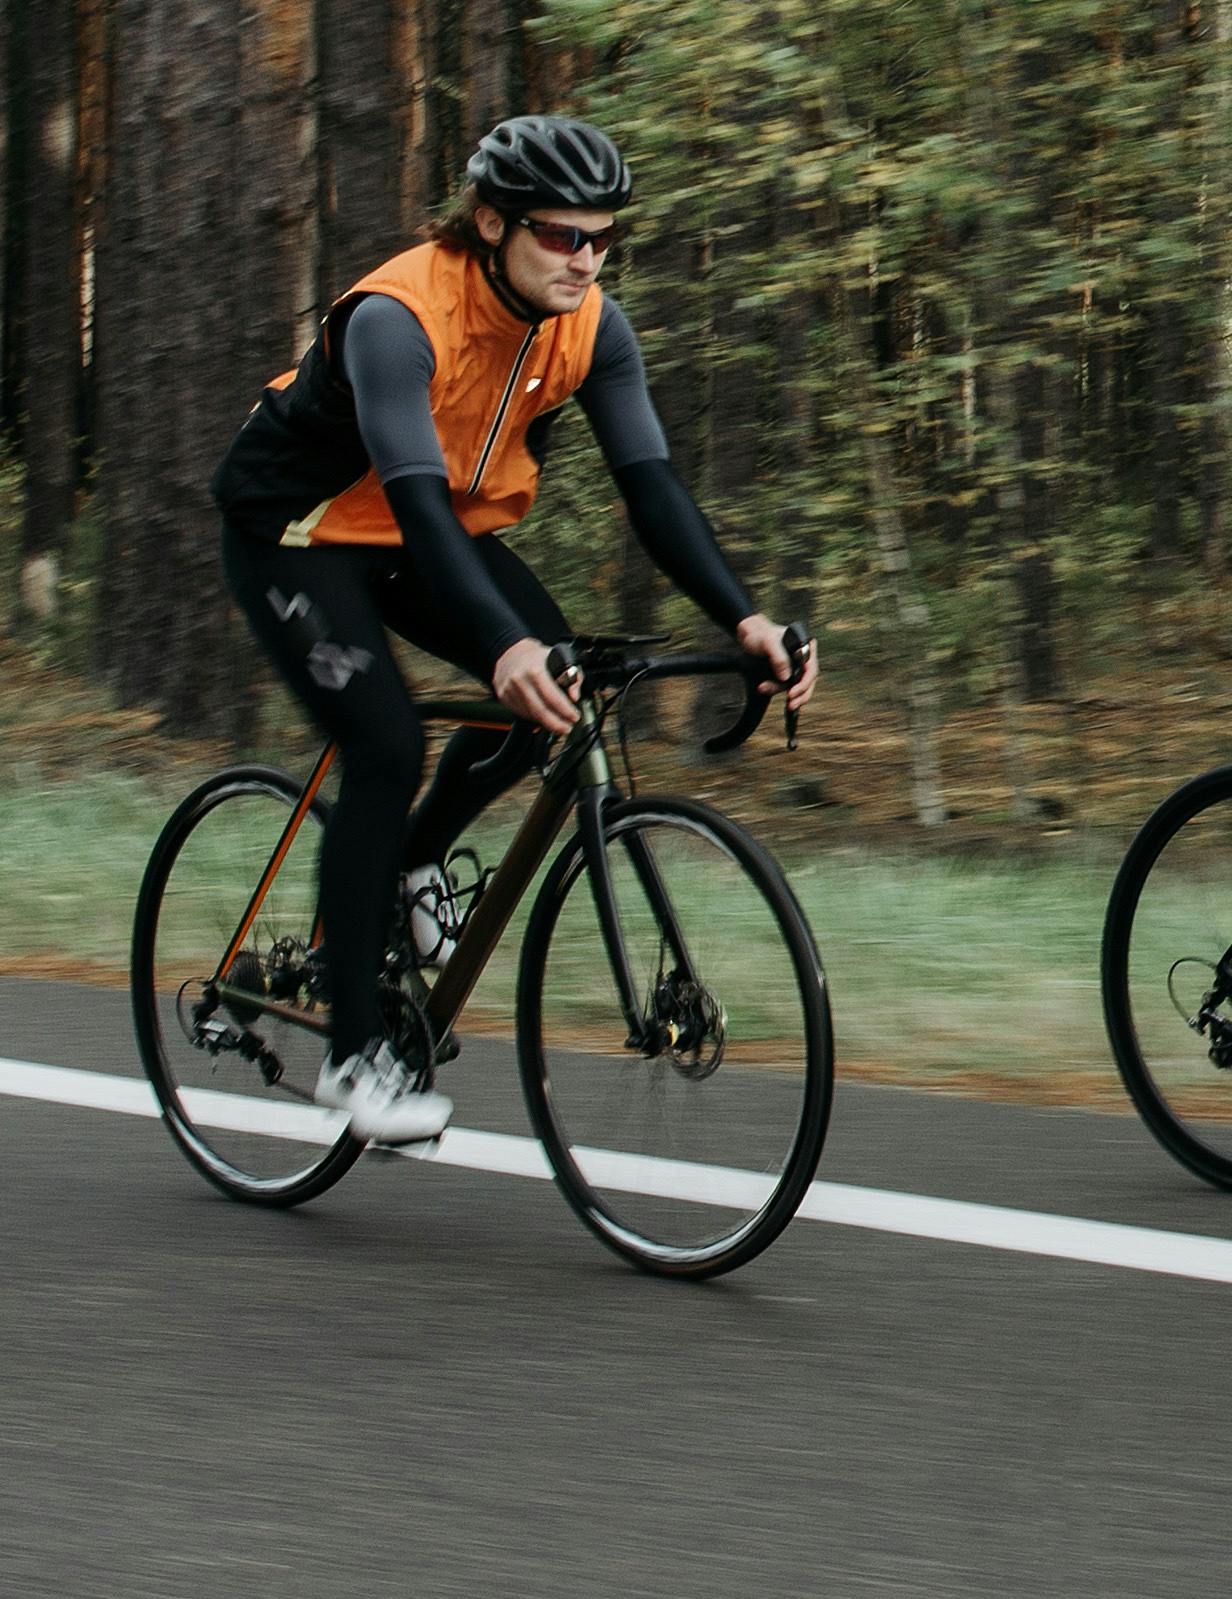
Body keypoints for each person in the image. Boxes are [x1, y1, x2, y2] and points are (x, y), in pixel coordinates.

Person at [211, 116, 820, 1146]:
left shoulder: (592, 327)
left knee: (557, 695)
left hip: (424, 532)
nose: (586, 258)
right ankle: (353, 1056)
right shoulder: (400, 316)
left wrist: (745, 617)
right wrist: (501, 647)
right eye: (561, 234)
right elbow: (414, 495)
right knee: (384, 743)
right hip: (299, 533)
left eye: (603, 238)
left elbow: (651, 486)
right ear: (491, 223)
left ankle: (410, 865)